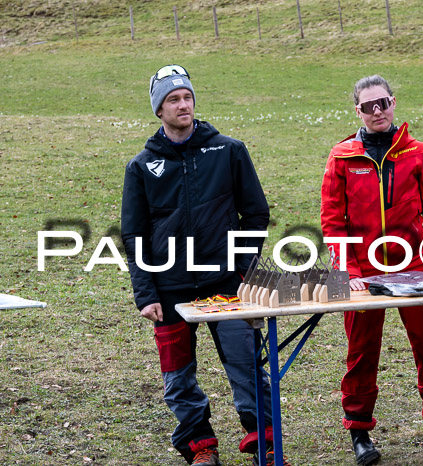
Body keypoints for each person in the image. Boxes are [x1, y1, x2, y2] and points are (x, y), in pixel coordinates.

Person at [121, 64, 277, 466]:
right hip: (169, 288)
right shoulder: (141, 166)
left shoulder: (228, 150)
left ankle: (264, 440)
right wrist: (145, 293)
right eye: (173, 99)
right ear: (159, 109)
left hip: (225, 282)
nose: (182, 104)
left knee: (246, 365)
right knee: (177, 378)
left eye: (187, 97)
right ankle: (200, 447)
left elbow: (256, 214)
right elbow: (133, 236)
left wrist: (244, 270)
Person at [320, 75, 423, 465]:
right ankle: (360, 432)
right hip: (362, 270)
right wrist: (347, 271)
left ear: (394, 103)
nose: (377, 111)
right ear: (357, 111)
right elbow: (333, 222)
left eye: (382, 103)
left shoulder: (418, 152)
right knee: (361, 353)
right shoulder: (342, 156)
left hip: (414, 266)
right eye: (368, 106)